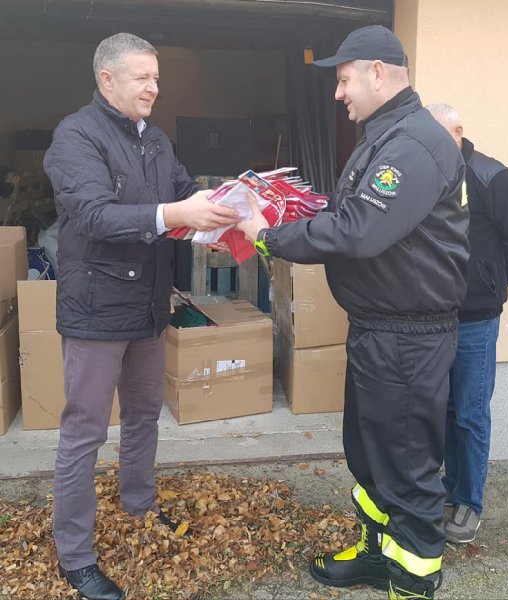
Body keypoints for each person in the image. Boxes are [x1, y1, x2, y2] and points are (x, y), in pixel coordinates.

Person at [238, 25, 469, 600]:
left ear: (378, 73)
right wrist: (291, 212)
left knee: (407, 466)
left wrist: (271, 235)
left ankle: (412, 582)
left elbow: (360, 229)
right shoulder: (387, 136)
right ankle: (376, 555)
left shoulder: (413, 145)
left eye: (344, 79)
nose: (338, 93)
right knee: (370, 455)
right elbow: (353, 214)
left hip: (407, 339)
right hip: (379, 331)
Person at [44, 33, 238, 600]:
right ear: (107, 79)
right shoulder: (76, 136)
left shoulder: (155, 140)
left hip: (149, 306)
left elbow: (183, 194)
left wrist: (226, 215)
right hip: (95, 309)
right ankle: (76, 555)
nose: (154, 88)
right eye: (142, 78)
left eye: (156, 78)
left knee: (144, 415)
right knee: (84, 431)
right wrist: (178, 213)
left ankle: (139, 504)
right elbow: (94, 215)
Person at [426, 103, 508, 544]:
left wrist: (493, 282)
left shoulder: (492, 176)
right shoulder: (428, 174)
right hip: (434, 317)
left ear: (458, 132)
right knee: (445, 410)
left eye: (437, 137)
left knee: (471, 413)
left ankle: (469, 503)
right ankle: (450, 487)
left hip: (476, 319)